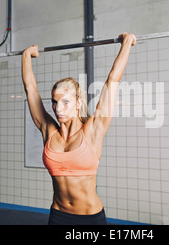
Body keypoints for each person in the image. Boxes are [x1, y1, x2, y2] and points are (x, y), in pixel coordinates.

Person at [22, 33, 137, 225]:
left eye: (65, 102)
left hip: (90, 218)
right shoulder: (48, 131)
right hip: (58, 215)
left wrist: (126, 43)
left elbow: (113, 80)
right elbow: (30, 89)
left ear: (78, 103)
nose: (58, 108)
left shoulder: (93, 129)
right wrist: (26, 55)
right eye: (55, 102)